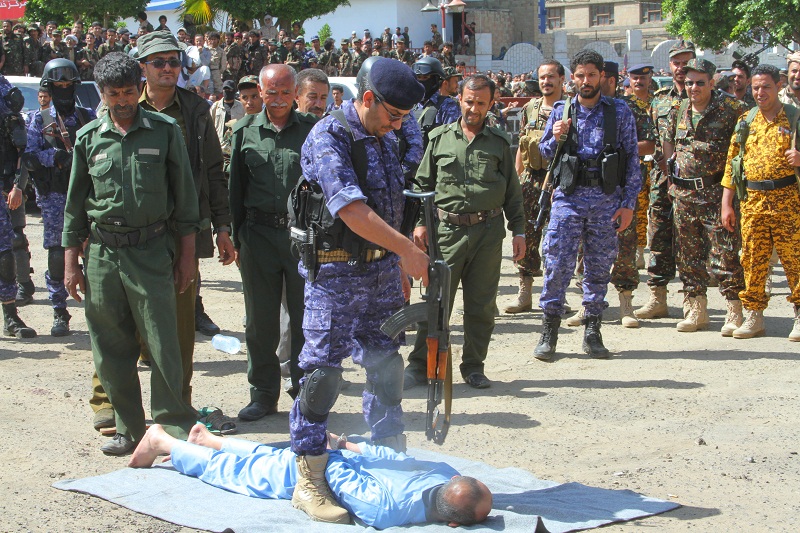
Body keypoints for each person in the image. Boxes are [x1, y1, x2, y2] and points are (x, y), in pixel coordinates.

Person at [289, 58, 428, 523]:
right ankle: (309, 478)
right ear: (367, 98)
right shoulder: (330, 135)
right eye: (394, 114)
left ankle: (389, 460)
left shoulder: (383, 137)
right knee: (321, 378)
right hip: (335, 276)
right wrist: (406, 249)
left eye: (404, 118)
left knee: (386, 369)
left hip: (382, 274)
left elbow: (393, 206)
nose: (398, 125)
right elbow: (350, 209)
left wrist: (402, 255)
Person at [89, 31, 235, 436]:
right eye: (159, 62)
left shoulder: (196, 109)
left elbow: (212, 172)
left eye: (174, 61)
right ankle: (108, 403)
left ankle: (176, 406)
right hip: (127, 234)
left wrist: (222, 227)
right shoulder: (117, 103)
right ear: (143, 69)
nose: (168, 68)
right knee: (115, 323)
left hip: (181, 231)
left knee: (178, 327)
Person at [63, 53, 200, 454]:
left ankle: (173, 426)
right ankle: (128, 427)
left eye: (127, 92)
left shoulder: (165, 131)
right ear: (101, 93)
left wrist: (187, 257)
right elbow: (74, 206)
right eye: (113, 94)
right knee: (110, 346)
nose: (122, 100)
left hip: (152, 250)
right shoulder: (88, 138)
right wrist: (71, 264)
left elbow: (186, 200)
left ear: (138, 88)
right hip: (103, 255)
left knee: (163, 343)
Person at [129, 423, 492, 528]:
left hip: (333, 459)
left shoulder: (445, 474)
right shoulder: (390, 511)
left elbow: (388, 457)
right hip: (320, 468)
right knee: (237, 472)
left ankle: (206, 440)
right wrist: (332, 449)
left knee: (267, 459)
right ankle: (162, 441)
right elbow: (342, 482)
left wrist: (342, 447)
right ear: (452, 525)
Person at [404, 74, 525, 389]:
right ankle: (421, 366)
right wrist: (420, 223)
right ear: (459, 99)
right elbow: (423, 185)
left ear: (491, 104)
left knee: (481, 305)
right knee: (436, 301)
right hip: (447, 233)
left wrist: (520, 231)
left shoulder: (499, 142)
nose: (474, 108)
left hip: (488, 233)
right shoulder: (439, 139)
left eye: (481, 103)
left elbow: (512, 193)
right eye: (469, 101)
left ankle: (473, 366)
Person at [534, 49, 641, 360]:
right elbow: (544, 152)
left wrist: (628, 203)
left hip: (606, 200)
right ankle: (549, 330)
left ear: (602, 77)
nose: (586, 81)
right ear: (573, 78)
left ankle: (593, 330)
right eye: (580, 75)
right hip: (568, 197)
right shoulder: (562, 109)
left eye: (592, 75)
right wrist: (555, 136)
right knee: (557, 263)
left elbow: (632, 159)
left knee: (598, 267)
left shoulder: (618, 111)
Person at [229, 65, 317, 420]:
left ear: (295, 93)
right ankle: (263, 394)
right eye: (271, 93)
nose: (278, 100)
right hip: (258, 237)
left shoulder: (312, 130)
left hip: (302, 238)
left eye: (285, 93)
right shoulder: (244, 131)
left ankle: (305, 393)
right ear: (260, 92)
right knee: (260, 321)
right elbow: (235, 188)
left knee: (305, 319)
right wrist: (236, 238)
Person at [662, 58, 745, 334]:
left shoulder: (732, 109)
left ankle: (734, 309)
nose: (693, 88)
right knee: (688, 256)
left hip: (716, 194)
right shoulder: (679, 109)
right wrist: (671, 179)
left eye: (700, 82)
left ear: (712, 82)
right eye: (689, 83)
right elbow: (668, 142)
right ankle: (696, 310)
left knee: (726, 255)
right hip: (684, 194)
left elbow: (742, 151)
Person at [720, 64, 800, 341]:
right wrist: (726, 204)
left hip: (787, 200)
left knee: (794, 260)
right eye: (755, 87)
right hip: (752, 201)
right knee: (753, 260)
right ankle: (753, 315)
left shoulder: (794, 117)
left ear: (779, 86)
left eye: (766, 86)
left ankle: (799, 314)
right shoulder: (746, 120)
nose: (760, 92)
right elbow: (732, 164)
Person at [23, 59, 96, 337]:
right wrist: (55, 157)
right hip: (54, 196)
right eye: (58, 85)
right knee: (57, 253)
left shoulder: (88, 116)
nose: (64, 89)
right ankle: (59, 310)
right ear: (49, 87)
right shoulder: (39, 120)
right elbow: (30, 156)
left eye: (68, 84)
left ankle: (99, 308)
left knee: (94, 251)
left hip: (88, 194)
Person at [635, 40, 694, 320]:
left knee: (693, 241)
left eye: (686, 62)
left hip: (695, 183)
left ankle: (693, 299)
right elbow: (651, 139)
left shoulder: (706, 96)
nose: (681, 67)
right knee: (658, 237)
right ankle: (658, 297)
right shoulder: (659, 99)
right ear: (669, 65)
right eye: (677, 63)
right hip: (661, 179)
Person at [505, 60, 565, 314]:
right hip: (531, 180)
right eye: (542, 77)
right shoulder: (530, 108)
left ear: (561, 79)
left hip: (560, 181)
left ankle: (556, 294)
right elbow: (522, 145)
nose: (546, 82)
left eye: (551, 77)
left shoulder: (570, 109)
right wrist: (516, 180)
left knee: (558, 240)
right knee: (527, 235)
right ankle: (525, 292)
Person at [609, 63, 656, 328]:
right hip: (589, 190)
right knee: (586, 249)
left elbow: (649, 144)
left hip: (625, 182)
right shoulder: (580, 108)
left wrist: (618, 150)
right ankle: (587, 305)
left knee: (625, 243)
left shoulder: (630, 108)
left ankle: (626, 303)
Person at [0, 73, 36, 338]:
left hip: (2, 188)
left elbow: (22, 151)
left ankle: (10, 316)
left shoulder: (6, 96)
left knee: (5, 254)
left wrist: (17, 185)